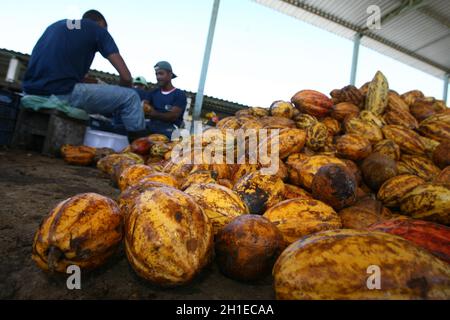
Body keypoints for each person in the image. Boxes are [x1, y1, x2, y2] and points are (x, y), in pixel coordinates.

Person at [22, 9, 147, 141]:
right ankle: (140, 149)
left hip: (30, 91)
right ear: (101, 23)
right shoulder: (98, 30)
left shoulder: (56, 25)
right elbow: (126, 77)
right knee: (130, 97)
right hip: (60, 92)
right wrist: (120, 95)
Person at [143, 61, 187, 138]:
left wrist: (154, 113)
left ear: (170, 74)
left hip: (170, 132)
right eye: (156, 74)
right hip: (151, 129)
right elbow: (144, 107)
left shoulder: (179, 94)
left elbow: (173, 116)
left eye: (161, 74)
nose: (158, 77)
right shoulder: (153, 93)